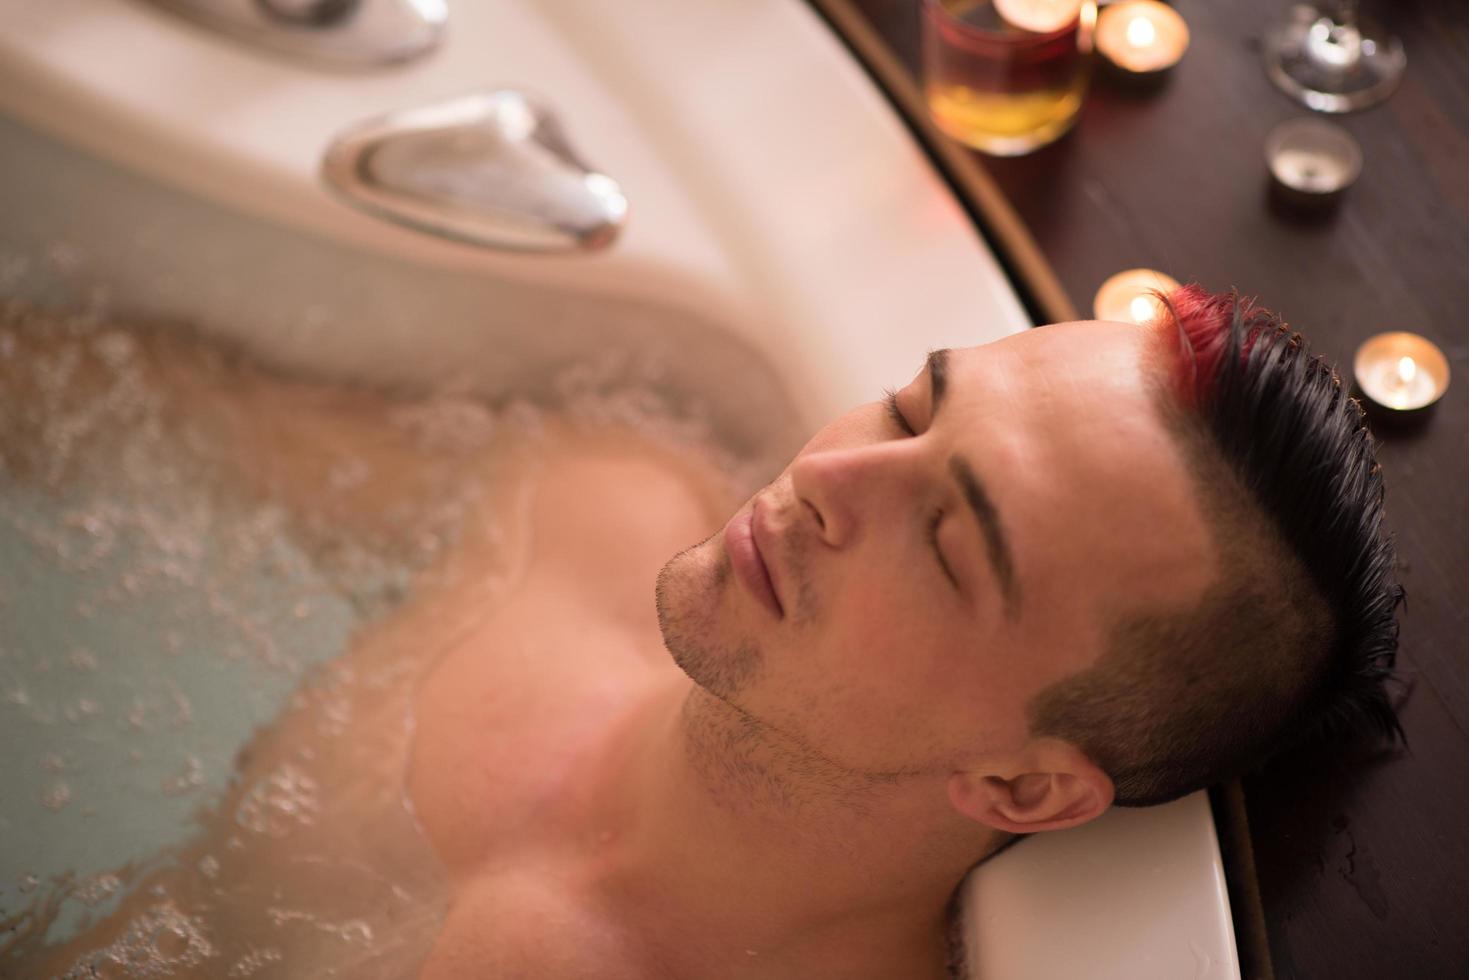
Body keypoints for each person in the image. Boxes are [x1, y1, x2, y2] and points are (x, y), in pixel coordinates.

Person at [19, 285, 1403, 979]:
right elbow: (127, 405)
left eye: (945, 539)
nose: (827, 480)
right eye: (914, 411)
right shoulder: (582, 510)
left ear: (1023, 784)